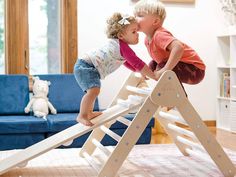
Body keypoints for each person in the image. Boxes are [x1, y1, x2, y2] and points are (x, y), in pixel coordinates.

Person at [74, 12, 157, 126]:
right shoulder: (122, 47)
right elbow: (138, 63)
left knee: (94, 91)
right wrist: (154, 75)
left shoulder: (119, 45)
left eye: (137, 31)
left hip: (86, 66)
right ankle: (82, 115)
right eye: (134, 32)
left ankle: (89, 113)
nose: (137, 34)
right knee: (93, 91)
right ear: (121, 35)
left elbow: (127, 62)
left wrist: (138, 71)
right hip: (86, 66)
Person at [134, 0, 206, 87]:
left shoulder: (159, 35)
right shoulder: (147, 40)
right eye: (135, 15)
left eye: (140, 16)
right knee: (154, 64)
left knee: (163, 68)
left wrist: (165, 69)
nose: (134, 18)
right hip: (184, 66)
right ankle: (169, 94)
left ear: (155, 21)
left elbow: (178, 47)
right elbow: (158, 60)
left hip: (195, 69)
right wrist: (147, 70)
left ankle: (178, 97)